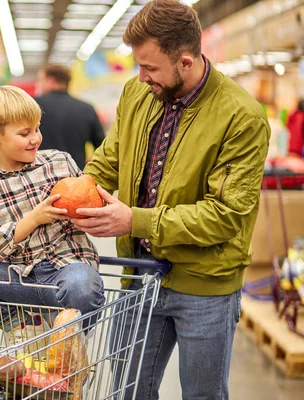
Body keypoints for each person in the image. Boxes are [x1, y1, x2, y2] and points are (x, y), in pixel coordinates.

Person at [71, 1, 270, 399]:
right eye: (138, 65)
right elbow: (112, 157)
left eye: (150, 68)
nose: (141, 77)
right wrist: (75, 191)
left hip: (205, 285)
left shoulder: (242, 117)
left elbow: (224, 215)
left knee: (202, 395)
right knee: (127, 391)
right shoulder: (136, 94)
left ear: (184, 61)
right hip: (137, 275)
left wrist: (134, 221)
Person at [0, 85, 105, 344]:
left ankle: (66, 340)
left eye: (37, 129)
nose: (35, 138)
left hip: (64, 271)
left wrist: (91, 212)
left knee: (83, 286)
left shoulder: (60, 162)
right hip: (13, 278)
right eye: (25, 133)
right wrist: (33, 219)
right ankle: (20, 323)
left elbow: (90, 207)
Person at [35, 64, 105, 168]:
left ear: (51, 81)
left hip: (40, 177)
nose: (39, 84)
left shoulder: (33, 106)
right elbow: (102, 148)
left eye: (40, 80)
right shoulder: (86, 109)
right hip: (76, 177)